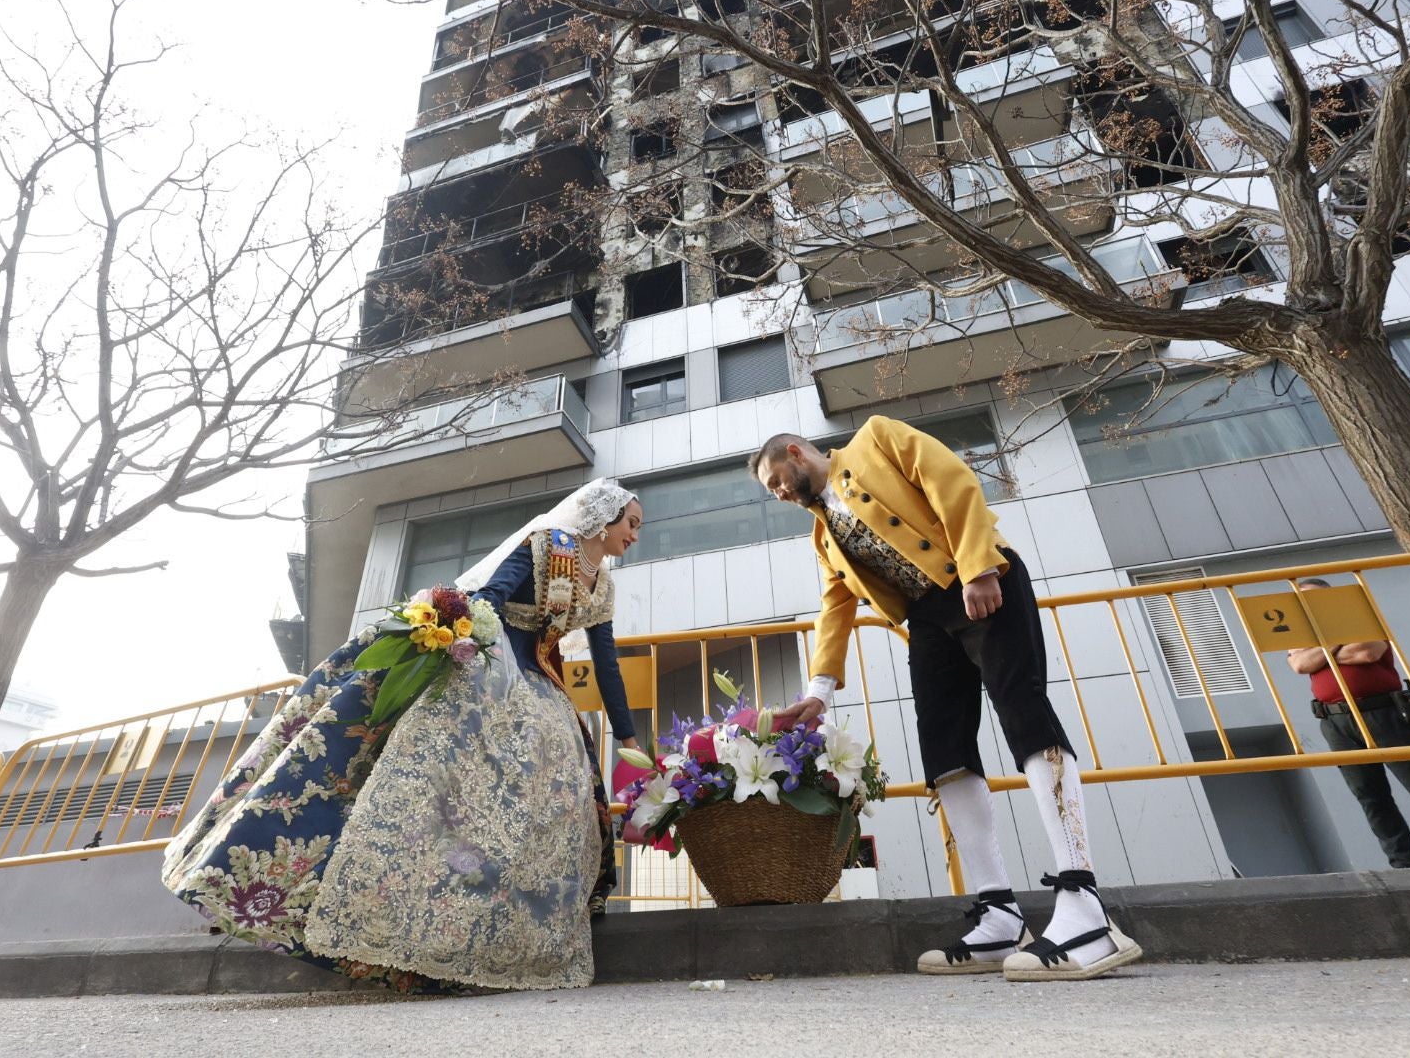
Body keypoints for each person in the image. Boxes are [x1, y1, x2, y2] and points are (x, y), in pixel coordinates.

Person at [160, 479, 644, 993]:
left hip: (542, 688)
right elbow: (489, 598)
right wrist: (476, 653)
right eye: (632, 523)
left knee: (553, 798)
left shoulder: (604, 587)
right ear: (603, 518)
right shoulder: (548, 546)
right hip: (491, 669)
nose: (635, 535)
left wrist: (629, 736)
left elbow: (606, 664)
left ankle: (494, 935)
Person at [752, 418, 1142, 982]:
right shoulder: (822, 535)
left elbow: (951, 480)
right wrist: (819, 690)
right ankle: (999, 913)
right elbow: (836, 603)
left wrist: (979, 566)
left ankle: (1086, 907)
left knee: (1025, 715)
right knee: (945, 751)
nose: (780, 495)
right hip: (926, 618)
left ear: (794, 452)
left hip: (980, 578)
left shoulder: (877, 440)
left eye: (776, 482)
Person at [1286, 578, 1410, 869]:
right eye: (1303, 600)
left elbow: (1366, 653)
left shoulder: (1362, 617)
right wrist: (1337, 643)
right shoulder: (1299, 633)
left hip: (1384, 712)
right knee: (1371, 797)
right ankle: (1403, 865)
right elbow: (1300, 665)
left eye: (1315, 598)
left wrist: (1320, 652)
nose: (1310, 605)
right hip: (1336, 720)